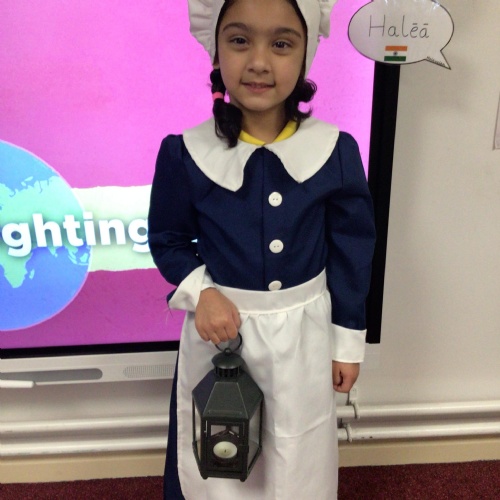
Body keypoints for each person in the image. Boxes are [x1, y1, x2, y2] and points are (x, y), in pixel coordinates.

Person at [148, 0, 376, 498]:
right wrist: (202, 293)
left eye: (281, 44)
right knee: (218, 458)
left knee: (299, 455)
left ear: (305, 53)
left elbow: (351, 253)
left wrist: (346, 345)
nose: (258, 61)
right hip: (221, 339)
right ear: (216, 50)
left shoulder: (336, 151)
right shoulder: (184, 152)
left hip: (304, 339)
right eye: (239, 40)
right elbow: (167, 239)